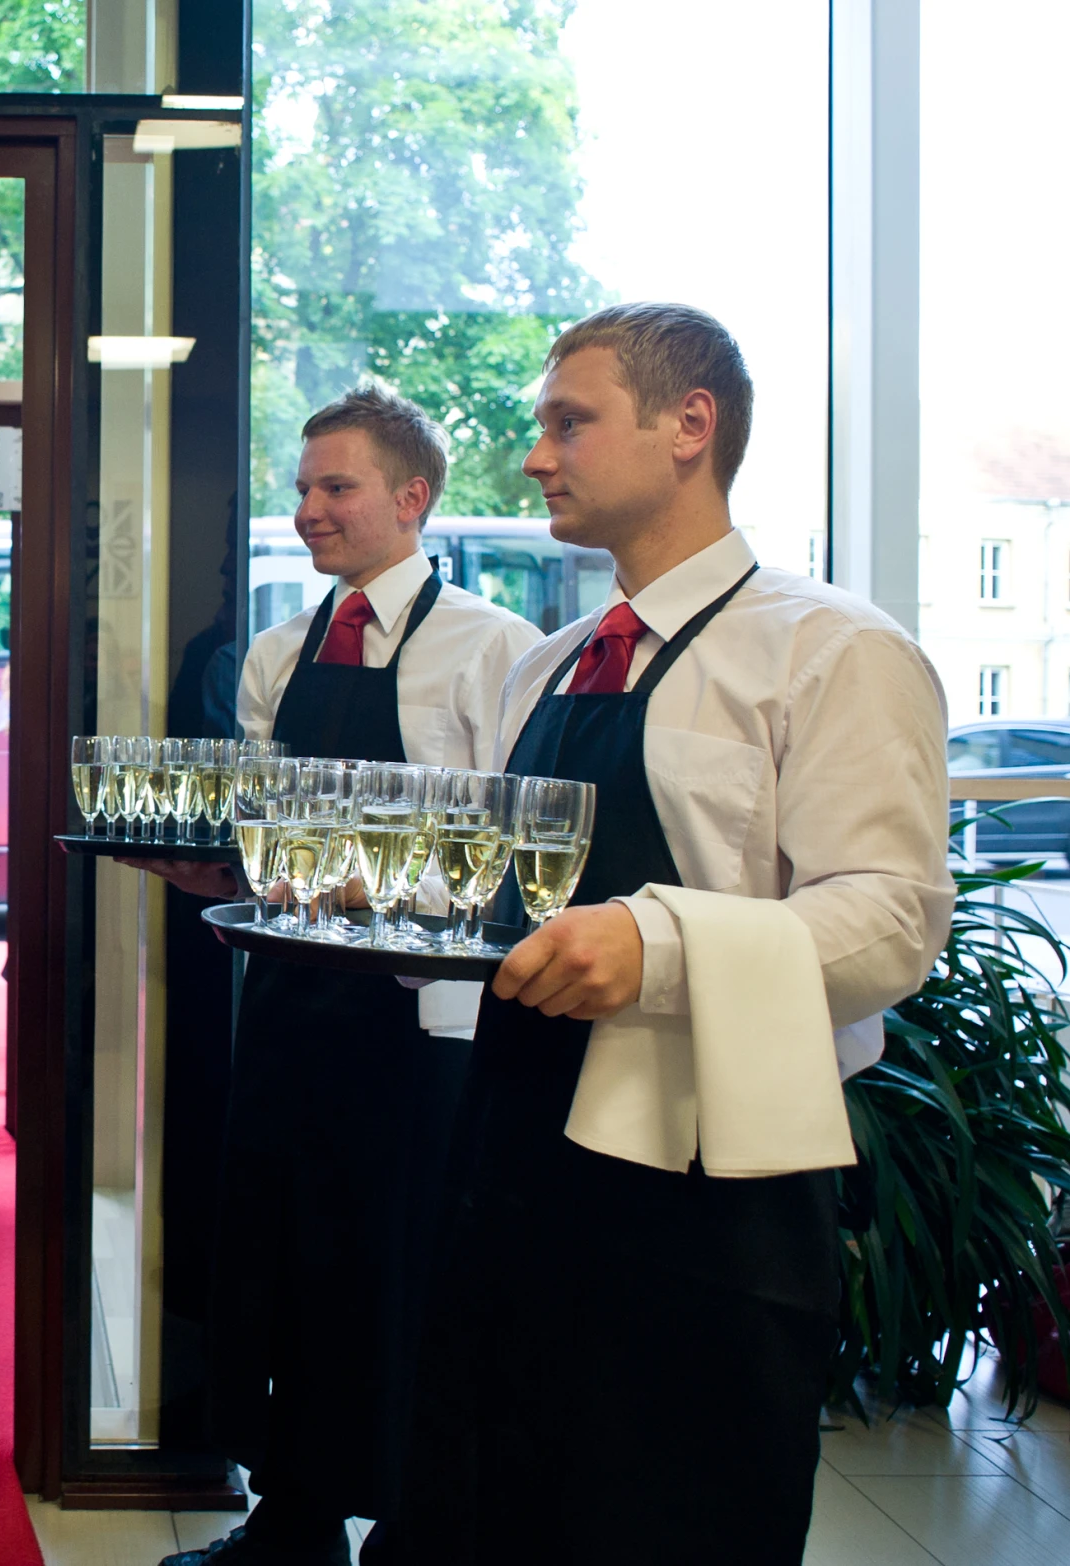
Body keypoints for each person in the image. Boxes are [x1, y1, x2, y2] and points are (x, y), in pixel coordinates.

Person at [393, 304, 950, 1564]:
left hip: (711, 1193)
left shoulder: (830, 650)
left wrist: (660, 946)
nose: (535, 457)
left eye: (566, 422)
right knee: (482, 1502)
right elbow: (496, 892)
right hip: (511, 1145)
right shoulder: (547, 665)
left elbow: (891, 919)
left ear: (687, 425)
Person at [131, 385, 538, 1566]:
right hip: (291, 1004)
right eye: (303, 488)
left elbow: (515, 857)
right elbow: (265, 837)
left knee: (404, 1270)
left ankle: (412, 1529)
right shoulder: (275, 650)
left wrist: (379, 888)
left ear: (412, 500)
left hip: (420, 1023)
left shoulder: (494, 648)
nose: (308, 509)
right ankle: (291, 1520)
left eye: (336, 486)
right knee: (282, 1261)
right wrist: (217, 877)